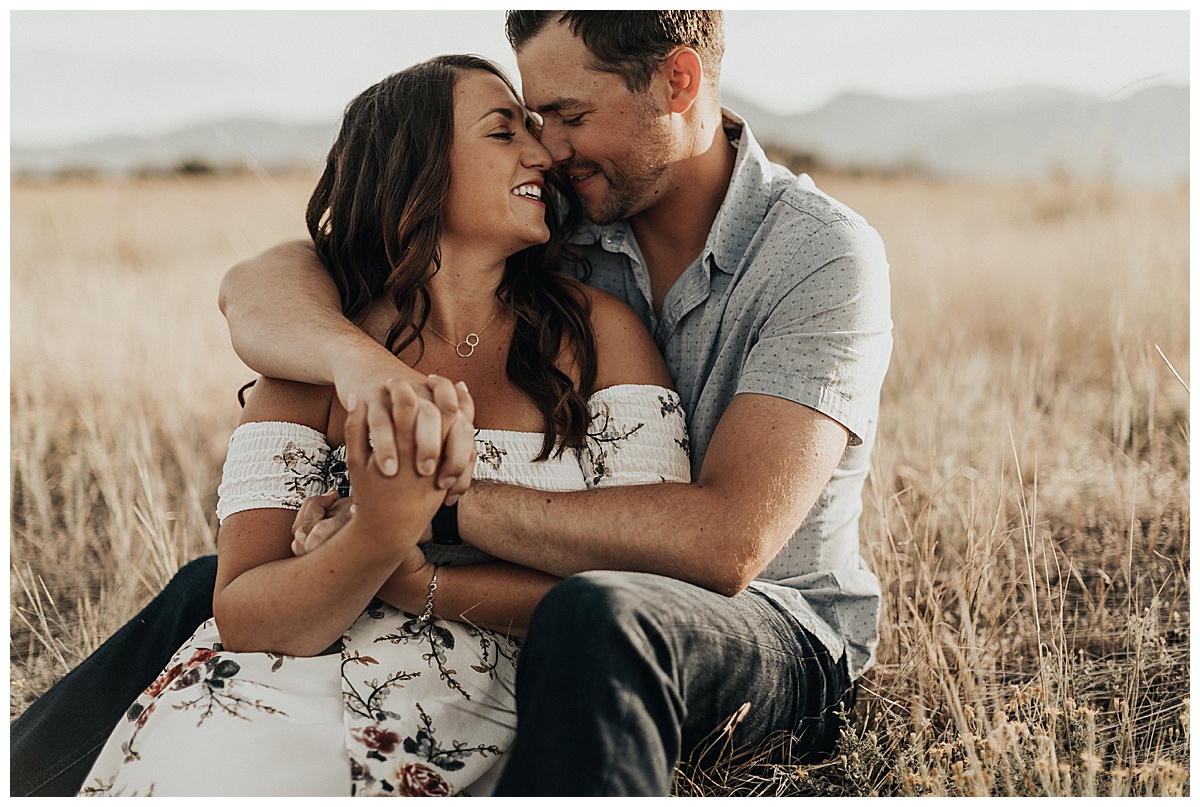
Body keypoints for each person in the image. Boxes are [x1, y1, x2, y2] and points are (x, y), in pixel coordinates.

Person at [10, 11, 892, 798]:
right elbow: (261, 284)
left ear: (678, 80)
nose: (550, 149)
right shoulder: (569, 213)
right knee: (226, 584)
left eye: (570, 117)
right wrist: (369, 374)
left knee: (599, 618)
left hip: (765, 623)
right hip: (539, 588)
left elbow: (725, 545)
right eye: (531, 123)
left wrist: (422, 503)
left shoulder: (816, 254)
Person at [70, 54, 690, 797]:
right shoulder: (318, 353)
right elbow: (244, 613)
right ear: (417, 168)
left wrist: (415, 577)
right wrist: (371, 542)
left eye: (536, 130)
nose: (542, 153)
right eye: (505, 133)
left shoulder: (597, 336)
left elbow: (650, 586)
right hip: (271, 693)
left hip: (474, 708)